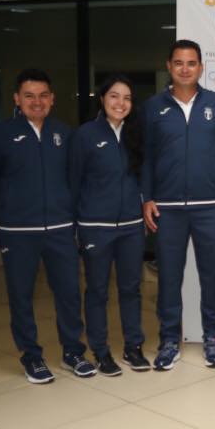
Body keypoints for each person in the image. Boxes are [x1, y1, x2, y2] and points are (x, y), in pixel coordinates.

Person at [0, 69, 90, 383]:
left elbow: (75, 180)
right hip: (18, 232)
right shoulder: (1, 134)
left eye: (43, 96)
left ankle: (72, 353)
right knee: (21, 295)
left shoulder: (64, 134)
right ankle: (32, 356)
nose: (36, 102)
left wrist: (70, 215)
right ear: (17, 99)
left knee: (69, 293)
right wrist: (7, 215)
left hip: (60, 229)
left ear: (52, 99)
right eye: (29, 96)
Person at [141, 39, 215, 371]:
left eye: (191, 63)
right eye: (179, 62)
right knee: (169, 277)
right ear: (169, 66)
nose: (185, 69)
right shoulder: (154, 107)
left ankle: (212, 337)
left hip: (210, 206)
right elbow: (147, 157)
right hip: (168, 207)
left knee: (211, 275)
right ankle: (169, 339)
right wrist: (148, 197)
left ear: (201, 67)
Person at [69, 75, 149, 376]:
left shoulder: (136, 133)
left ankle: (133, 347)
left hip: (131, 226)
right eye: (114, 96)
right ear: (102, 99)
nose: (120, 103)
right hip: (95, 225)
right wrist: (75, 226)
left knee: (131, 288)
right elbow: (73, 182)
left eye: (127, 98)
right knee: (97, 291)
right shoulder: (85, 135)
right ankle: (101, 352)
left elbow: (143, 176)